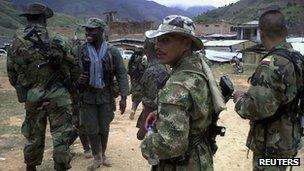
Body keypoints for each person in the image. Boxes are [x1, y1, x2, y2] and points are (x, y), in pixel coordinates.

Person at [141, 15, 225, 171]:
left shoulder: (177, 84)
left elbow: (171, 144)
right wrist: (160, 112)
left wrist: (146, 145)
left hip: (182, 164)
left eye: (165, 40)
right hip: (200, 156)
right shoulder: (200, 66)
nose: (157, 46)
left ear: (186, 43)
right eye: (157, 40)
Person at [6, 3, 81, 171]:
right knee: (61, 136)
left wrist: (28, 87)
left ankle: (31, 168)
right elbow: (76, 69)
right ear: (44, 19)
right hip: (59, 96)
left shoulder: (16, 42)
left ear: (28, 19)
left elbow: (12, 73)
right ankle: (61, 167)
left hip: (34, 96)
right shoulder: (59, 39)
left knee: (33, 136)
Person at [233, 10, 303, 171]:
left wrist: (239, 98)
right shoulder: (297, 58)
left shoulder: (271, 64)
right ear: (285, 31)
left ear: (261, 33)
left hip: (271, 146)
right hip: (290, 138)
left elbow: (255, 109)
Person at [76, 18, 129, 170]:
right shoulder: (81, 50)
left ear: (101, 31)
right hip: (87, 95)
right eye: (86, 29)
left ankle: (103, 154)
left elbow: (121, 74)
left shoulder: (112, 52)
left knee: (104, 127)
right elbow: (71, 70)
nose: (88, 32)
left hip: (106, 95)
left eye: (92, 30)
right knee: (91, 128)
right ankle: (96, 157)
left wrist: (124, 97)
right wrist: (78, 78)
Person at [136, 39, 169, 140]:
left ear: (146, 49)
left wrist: (144, 127)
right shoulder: (160, 67)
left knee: (151, 147)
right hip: (156, 116)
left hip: (154, 119)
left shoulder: (154, 71)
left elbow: (153, 103)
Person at [128, 48, 147, 120]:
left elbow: (129, 70)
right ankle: (144, 113)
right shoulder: (144, 59)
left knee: (136, 98)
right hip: (142, 80)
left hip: (135, 81)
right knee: (145, 97)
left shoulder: (133, 59)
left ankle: (133, 110)